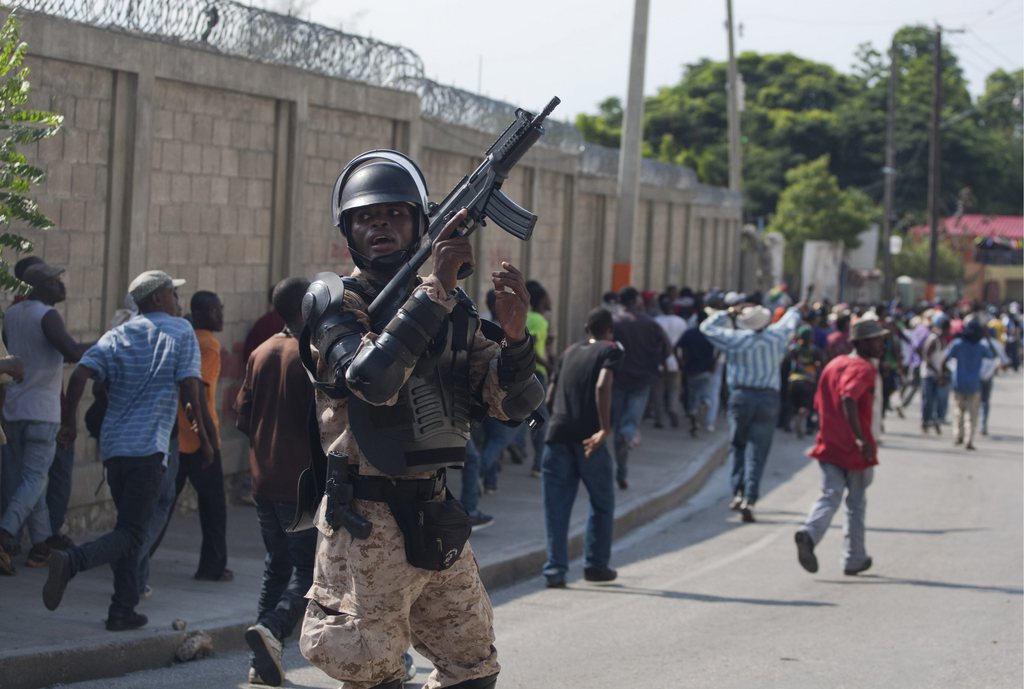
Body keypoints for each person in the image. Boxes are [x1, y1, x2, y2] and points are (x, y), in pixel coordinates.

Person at [298, 150, 544, 689]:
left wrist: (517, 337)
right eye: (366, 217)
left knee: (473, 669)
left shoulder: (451, 309)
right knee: (374, 676)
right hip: (366, 520)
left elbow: (514, 404)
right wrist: (435, 289)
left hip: (433, 511)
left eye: (394, 214)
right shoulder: (336, 300)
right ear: (348, 233)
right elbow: (370, 380)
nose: (379, 224)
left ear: (419, 224)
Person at [43, 270, 215, 631]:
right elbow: (189, 386)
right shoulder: (180, 330)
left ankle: (122, 610)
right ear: (157, 299)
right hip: (148, 449)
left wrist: (69, 424)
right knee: (133, 534)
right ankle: (72, 561)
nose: (177, 299)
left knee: (129, 527)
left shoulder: (118, 333)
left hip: (114, 448)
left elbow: (78, 376)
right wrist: (201, 434)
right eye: (172, 292)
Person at [234, 277, 317, 686]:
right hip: (300, 487)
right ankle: (274, 627)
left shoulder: (261, 351)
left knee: (275, 568)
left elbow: (242, 419)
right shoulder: (313, 356)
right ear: (308, 307)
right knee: (309, 570)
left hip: (263, 482)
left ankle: (260, 661)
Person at [0, 262, 91, 573]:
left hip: (14, 409)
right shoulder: (45, 314)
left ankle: (41, 544)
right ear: (39, 288)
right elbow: (72, 351)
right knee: (34, 479)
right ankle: (4, 533)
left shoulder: (12, 315)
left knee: (28, 485)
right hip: (42, 413)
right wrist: (109, 340)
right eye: (55, 282)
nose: (61, 286)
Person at [794, 318, 887, 576]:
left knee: (830, 494)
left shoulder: (833, 365)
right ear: (861, 343)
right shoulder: (864, 369)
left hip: (829, 443)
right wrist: (860, 439)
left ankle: (809, 534)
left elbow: (820, 402)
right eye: (876, 339)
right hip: (854, 449)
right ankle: (854, 557)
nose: (881, 344)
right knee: (856, 503)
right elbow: (848, 397)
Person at [541, 308, 623, 589]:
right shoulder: (611, 350)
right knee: (602, 503)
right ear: (609, 330)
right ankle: (595, 566)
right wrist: (604, 428)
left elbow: (550, 397)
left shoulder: (567, 352)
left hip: (558, 435)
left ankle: (555, 569)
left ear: (587, 329)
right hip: (590, 440)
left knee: (556, 507)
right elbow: (603, 386)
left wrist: (558, 421)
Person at [701, 300, 802, 523]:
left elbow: (706, 328)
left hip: (742, 396)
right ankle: (750, 497)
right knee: (759, 450)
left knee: (738, 444)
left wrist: (725, 312)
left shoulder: (736, 340)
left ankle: (737, 491)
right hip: (768, 397)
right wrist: (794, 308)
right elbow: (791, 319)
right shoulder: (777, 337)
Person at [164, 290, 231, 581]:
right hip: (197, 439)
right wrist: (206, 439)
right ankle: (212, 567)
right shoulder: (208, 344)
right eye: (216, 311)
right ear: (201, 314)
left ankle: (131, 556)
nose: (221, 315)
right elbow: (197, 394)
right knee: (214, 507)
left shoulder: (184, 338)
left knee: (162, 506)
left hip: (177, 437)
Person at [610, 286, 669, 490]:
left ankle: (621, 472)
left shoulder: (614, 321)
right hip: (642, 379)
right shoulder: (649, 322)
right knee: (631, 422)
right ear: (636, 301)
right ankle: (628, 440)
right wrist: (656, 363)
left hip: (618, 378)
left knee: (619, 427)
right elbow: (667, 347)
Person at [943, 317, 992, 450]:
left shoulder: (957, 344)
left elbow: (945, 358)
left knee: (958, 410)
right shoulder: (981, 347)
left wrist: (944, 374)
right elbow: (991, 359)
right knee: (972, 414)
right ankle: (969, 439)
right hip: (974, 384)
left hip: (958, 382)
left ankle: (958, 435)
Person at [675, 311, 716, 437]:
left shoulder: (690, 333)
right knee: (705, 397)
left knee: (693, 398)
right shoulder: (710, 334)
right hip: (706, 370)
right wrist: (713, 363)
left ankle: (694, 418)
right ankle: (700, 411)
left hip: (692, 370)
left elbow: (676, 347)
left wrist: (680, 362)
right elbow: (718, 349)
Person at [651, 294, 687, 429]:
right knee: (674, 389)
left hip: (658, 361)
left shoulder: (656, 321)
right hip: (675, 361)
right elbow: (683, 344)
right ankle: (673, 409)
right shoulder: (681, 322)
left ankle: (659, 418)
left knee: (658, 391)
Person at [786, 325, 825, 439]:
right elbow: (822, 362)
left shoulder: (794, 349)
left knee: (792, 403)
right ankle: (807, 424)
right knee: (807, 404)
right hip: (808, 381)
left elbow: (787, 362)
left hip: (793, 380)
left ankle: (789, 421)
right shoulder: (814, 350)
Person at [920, 313, 951, 434]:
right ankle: (925, 421)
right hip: (928, 374)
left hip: (938, 374)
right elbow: (926, 357)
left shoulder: (943, 341)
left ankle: (936, 420)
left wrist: (944, 371)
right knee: (928, 399)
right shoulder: (933, 339)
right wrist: (937, 372)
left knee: (939, 399)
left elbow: (942, 359)